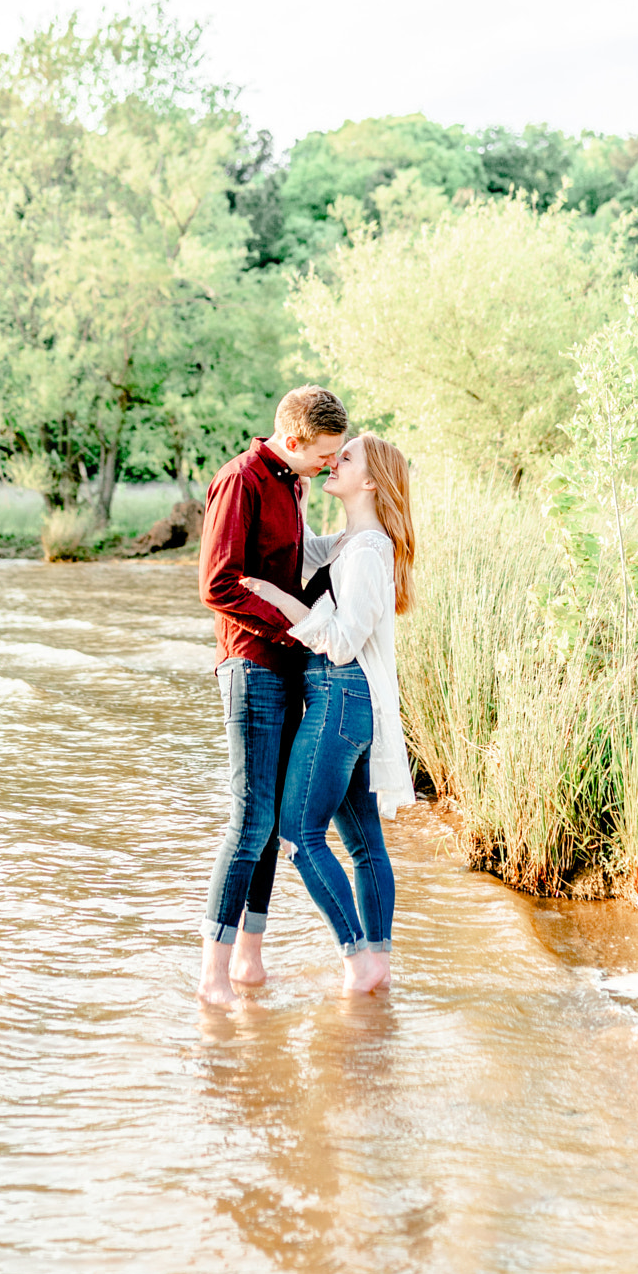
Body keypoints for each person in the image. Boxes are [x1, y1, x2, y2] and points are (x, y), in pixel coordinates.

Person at [240, 432, 416, 997]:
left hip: (340, 699)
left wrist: (281, 601)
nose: (333, 464)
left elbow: (341, 642)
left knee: (298, 833)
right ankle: (378, 966)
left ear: (370, 481)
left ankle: (358, 959)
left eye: (345, 458)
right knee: (365, 846)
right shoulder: (350, 543)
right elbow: (301, 546)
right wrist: (290, 477)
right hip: (344, 703)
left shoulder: (368, 551)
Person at [196, 386, 350, 1008]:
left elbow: (292, 569)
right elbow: (218, 583)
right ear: (293, 441)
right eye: (325, 455)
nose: (332, 465)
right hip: (252, 666)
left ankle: (250, 964)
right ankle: (211, 977)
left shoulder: (293, 481)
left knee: (268, 825)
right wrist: (296, 628)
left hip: (287, 668)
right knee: (250, 820)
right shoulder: (241, 481)